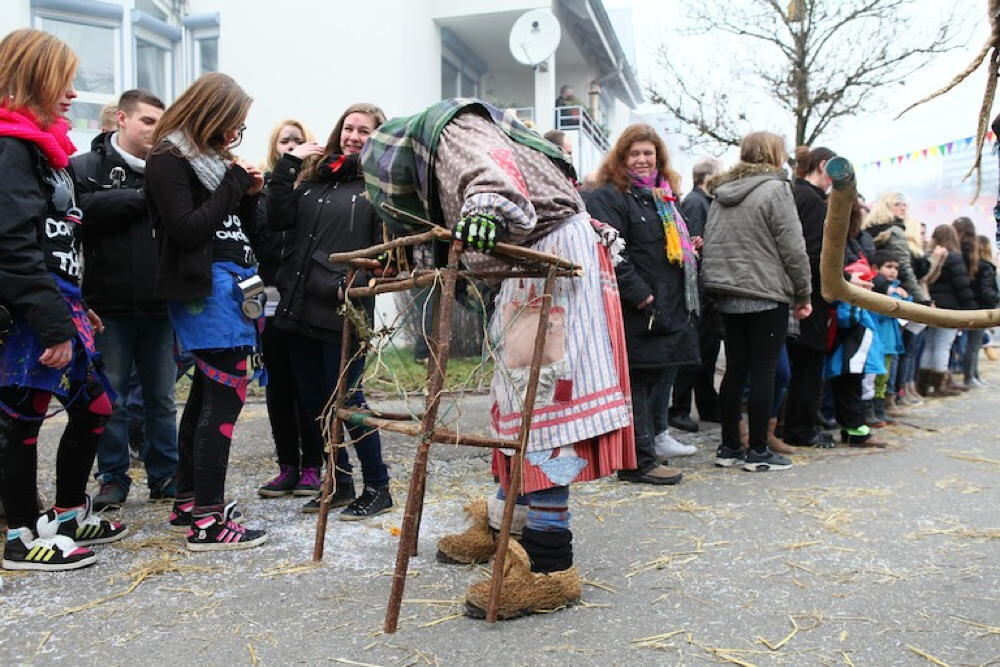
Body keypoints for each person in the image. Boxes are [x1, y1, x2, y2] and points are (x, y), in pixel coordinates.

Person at [363, 99, 634, 619]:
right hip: (536, 266)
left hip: (551, 266)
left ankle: (549, 566)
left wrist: (486, 207)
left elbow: (490, 176)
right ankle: (504, 524)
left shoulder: (447, 131)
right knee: (513, 407)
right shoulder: (449, 136)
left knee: (545, 411)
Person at [0, 28, 127, 572]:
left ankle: (69, 512)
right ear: (32, 77)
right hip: (34, 315)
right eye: (64, 81)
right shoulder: (10, 146)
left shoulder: (42, 148)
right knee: (21, 422)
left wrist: (78, 304)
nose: (73, 93)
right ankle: (20, 536)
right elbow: (12, 245)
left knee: (96, 405)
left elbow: (58, 238)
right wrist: (52, 323)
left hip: (62, 304)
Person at [144, 72, 267, 551]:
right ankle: (209, 523)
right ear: (211, 113)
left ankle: (191, 501)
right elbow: (188, 230)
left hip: (234, 284)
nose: (235, 132)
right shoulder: (169, 159)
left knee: (205, 397)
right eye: (233, 121)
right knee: (224, 400)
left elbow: (239, 231)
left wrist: (247, 195)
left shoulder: (211, 164)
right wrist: (233, 185)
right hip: (206, 291)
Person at [267, 103, 394, 519]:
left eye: (365, 132)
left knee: (349, 400)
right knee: (315, 403)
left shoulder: (380, 187)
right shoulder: (314, 178)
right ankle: (337, 482)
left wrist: (349, 284)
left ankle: (379, 486)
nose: (354, 136)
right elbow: (278, 218)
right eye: (349, 128)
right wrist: (287, 166)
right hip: (299, 306)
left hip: (344, 310)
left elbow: (388, 256)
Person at [72, 89, 179, 511]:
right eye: (148, 121)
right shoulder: (85, 167)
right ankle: (113, 478)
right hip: (106, 307)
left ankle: (165, 474)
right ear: (121, 119)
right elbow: (78, 215)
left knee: (161, 398)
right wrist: (138, 200)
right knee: (110, 398)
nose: (156, 130)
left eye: (161, 122)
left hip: (159, 306)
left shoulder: (170, 169)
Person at [587, 123, 701, 479]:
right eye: (634, 154)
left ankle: (646, 450)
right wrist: (639, 294)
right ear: (621, 157)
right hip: (637, 305)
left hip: (665, 303)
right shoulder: (608, 195)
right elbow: (609, 249)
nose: (641, 160)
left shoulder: (663, 197)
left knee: (653, 379)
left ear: (658, 158)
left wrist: (688, 249)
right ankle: (638, 462)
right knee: (637, 380)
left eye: (647, 153)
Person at [701, 131, 812, 471]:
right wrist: (803, 291)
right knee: (763, 372)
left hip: (730, 292)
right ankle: (759, 450)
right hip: (765, 292)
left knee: (735, 370)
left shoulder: (721, 194)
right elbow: (793, 246)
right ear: (775, 155)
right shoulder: (777, 190)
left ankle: (729, 446)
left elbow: (714, 241)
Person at [252, 119, 319, 499]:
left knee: (307, 388)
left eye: (298, 140)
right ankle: (287, 466)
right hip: (270, 297)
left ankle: (313, 465)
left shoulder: (314, 191)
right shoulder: (261, 190)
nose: (291, 146)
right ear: (274, 146)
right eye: (284, 140)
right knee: (278, 388)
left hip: (305, 298)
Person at [782, 146, 839, 447]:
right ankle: (800, 428)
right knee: (808, 363)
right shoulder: (812, 201)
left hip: (793, 290)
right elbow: (815, 253)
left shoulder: (795, 194)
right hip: (810, 294)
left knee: (796, 363)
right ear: (822, 166)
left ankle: (792, 424)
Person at [669, 156, 724, 433]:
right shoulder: (695, 202)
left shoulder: (704, 202)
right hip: (698, 290)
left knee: (708, 352)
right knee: (695, 352)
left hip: (705, 289)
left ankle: (707, 404)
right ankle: (679, 407)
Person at [863, 192, 929, 404]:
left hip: (871, 293)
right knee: (891, 352)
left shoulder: (870, 230)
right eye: (897, 204)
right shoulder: (895, 232)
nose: (903, 208)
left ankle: (884, 400)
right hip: (890, 294)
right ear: (886, 206)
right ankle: (885, 401)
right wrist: (921, 299)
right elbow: (905, 269)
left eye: (904, 204)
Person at [918, 224, 976, 397]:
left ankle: (923, 384)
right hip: (949, 306)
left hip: (931, 304)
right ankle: (939, 384)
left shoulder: (928, 255)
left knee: (929, 344)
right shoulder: (954, 257)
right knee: (943, 345)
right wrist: (970, 308)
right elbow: (962, 285)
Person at [870, 252, 910, 422]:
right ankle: (872, 410)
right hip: (878, 341)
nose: (893, 271)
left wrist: (906, 297)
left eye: (896, 268)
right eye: (888, 267)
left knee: (884, 378)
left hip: (891, 342)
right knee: (874, 378)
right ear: (875, 269)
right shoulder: (877, 290)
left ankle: (881, 408)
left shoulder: (897, 289)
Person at [967, 235, 999, 385]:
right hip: (981, 309)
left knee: (974, 345)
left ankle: (974, 375)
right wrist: (996, 298)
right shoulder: (985, 267)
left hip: (974, 307)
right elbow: (986, 290)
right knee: (973, 346)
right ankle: (970, 377)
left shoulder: (974, 265)